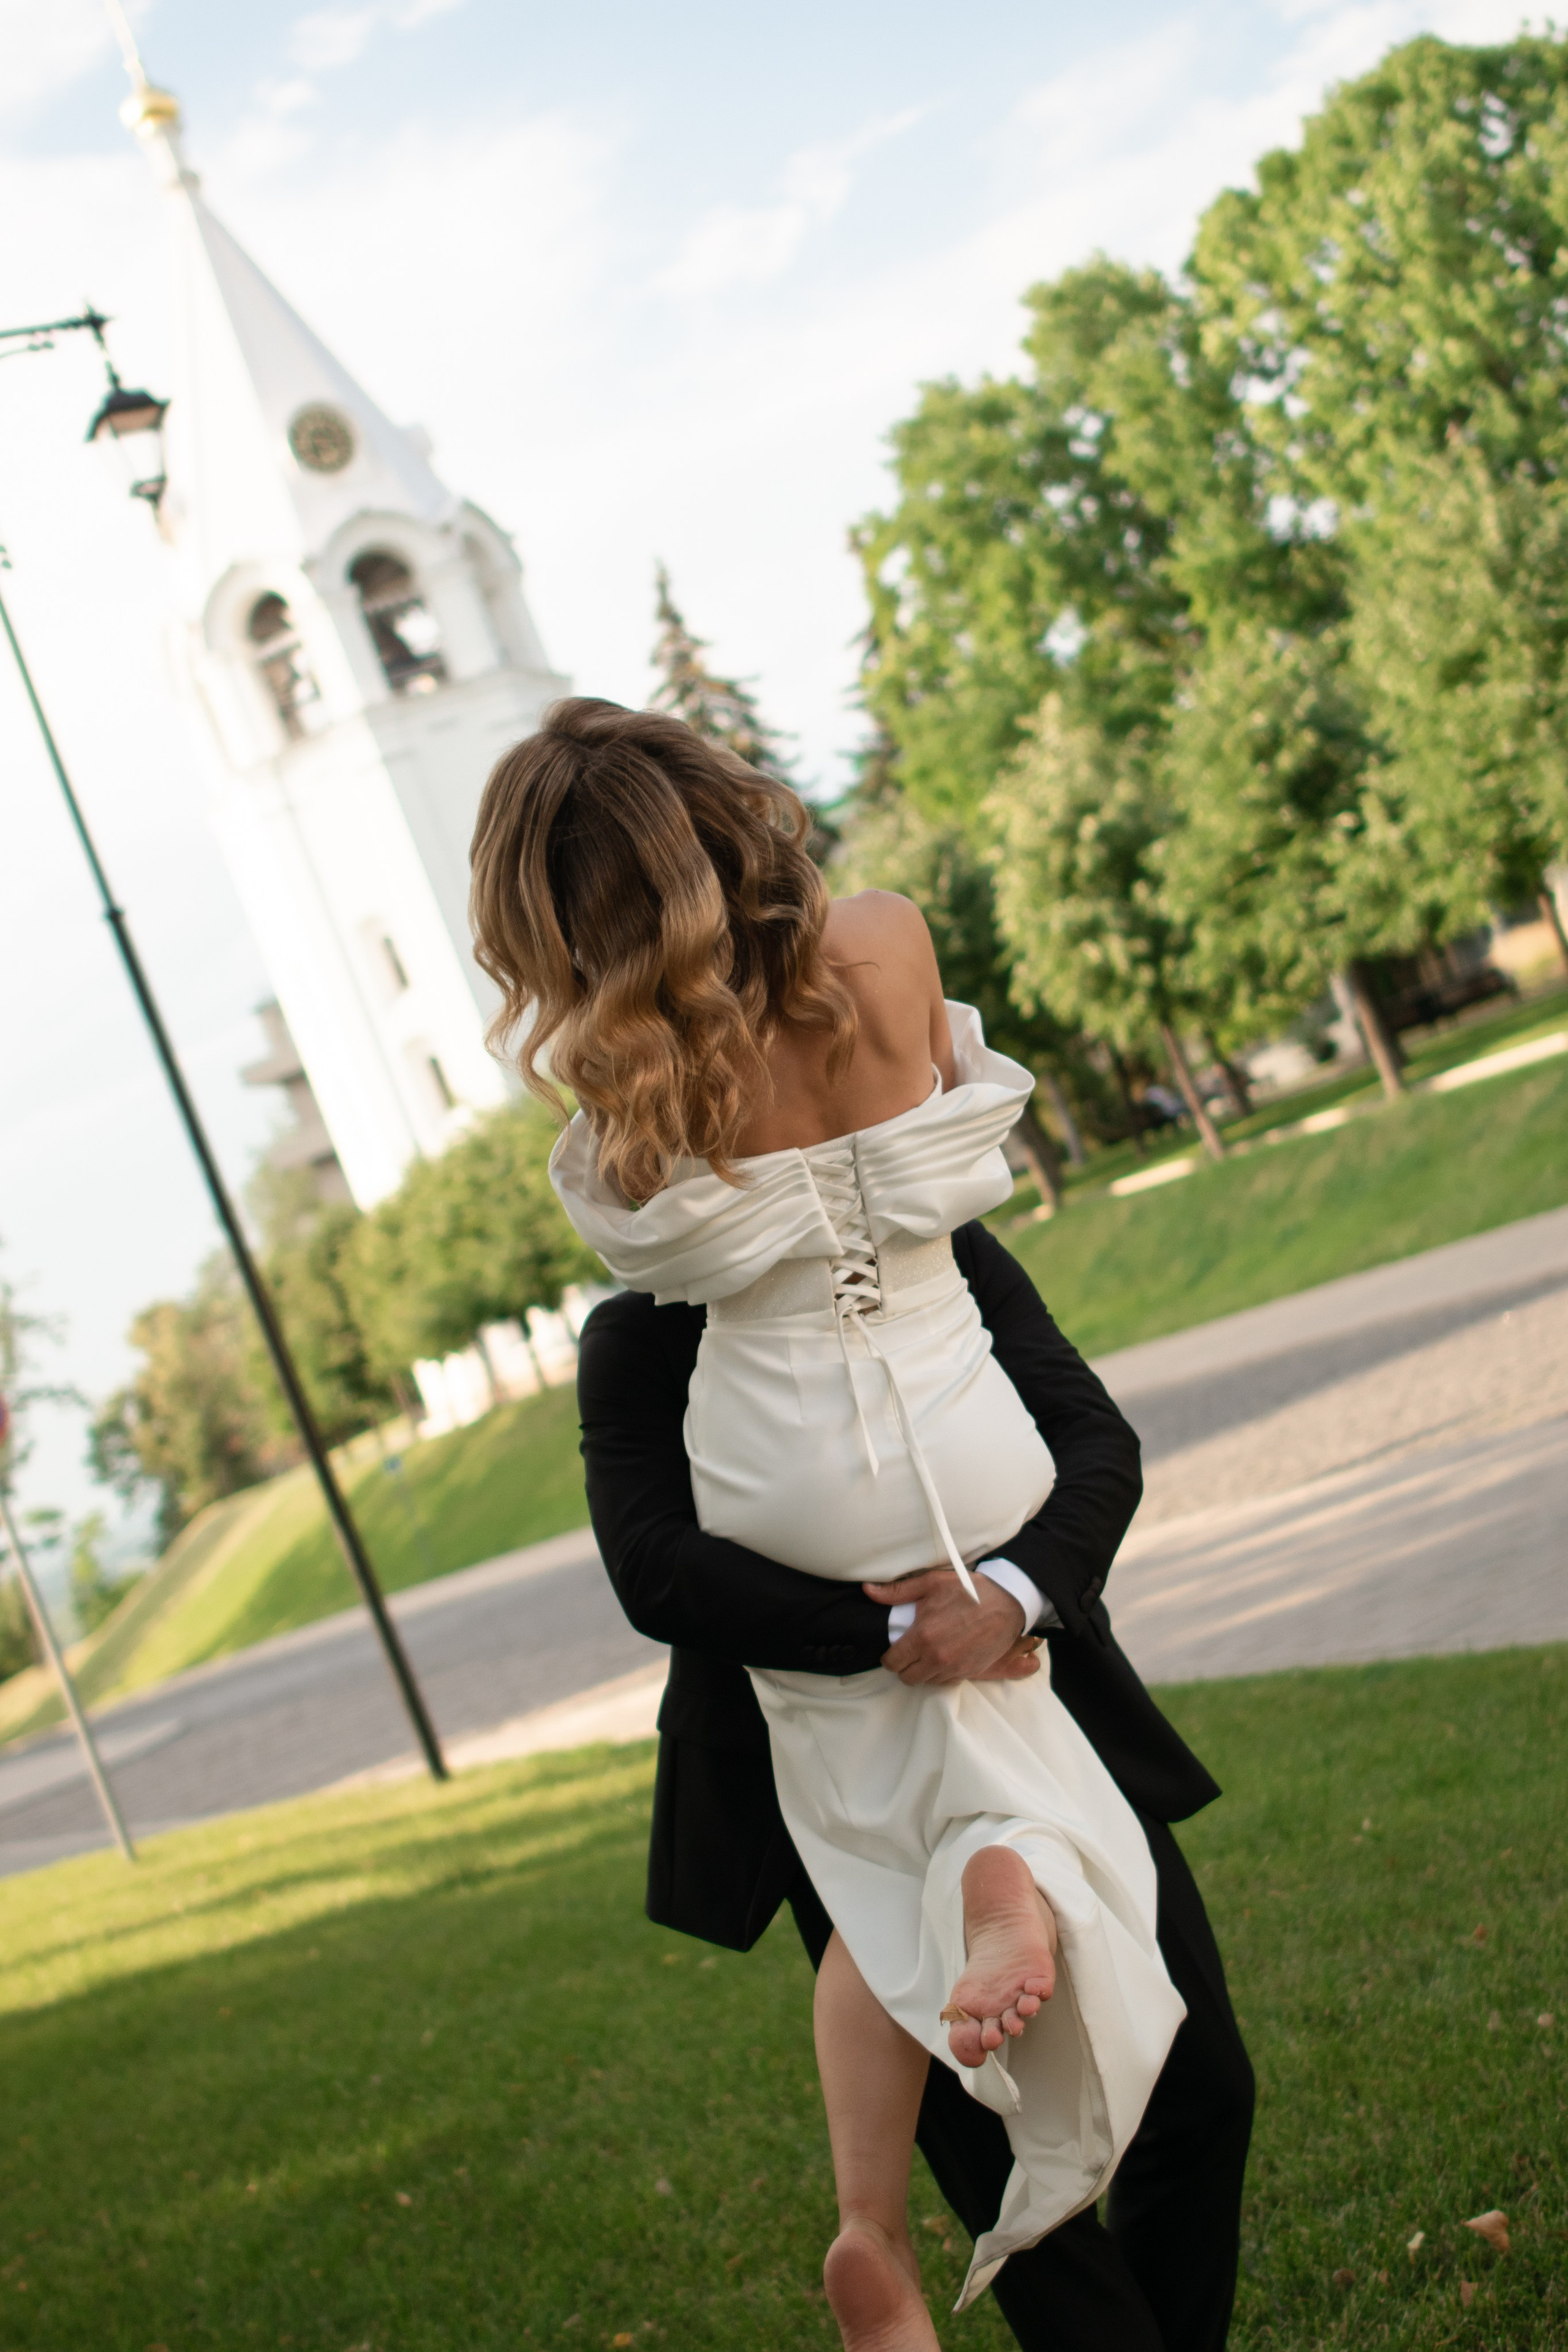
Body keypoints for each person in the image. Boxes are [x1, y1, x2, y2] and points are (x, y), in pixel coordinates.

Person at [469, 698, 1253, 2350]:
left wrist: (1014, 1600)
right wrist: (893, 1628)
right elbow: (655, 1572)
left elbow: (1093, 1443)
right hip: (831, 1709)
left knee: (1201, 2087)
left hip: (1031, 1671)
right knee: (1007, 2175)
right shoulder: (884, 972)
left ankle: (876, 2216)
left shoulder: (637, 1134)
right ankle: (905, 2188)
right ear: (735, 819)